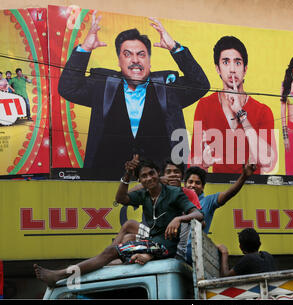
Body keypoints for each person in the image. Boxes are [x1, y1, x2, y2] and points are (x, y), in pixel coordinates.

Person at [58, 12, 210, 179]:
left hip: (159, 184)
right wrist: (85, 49)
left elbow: (200, 85)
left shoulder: (166, 87)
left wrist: (175, 47)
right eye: (127, 54)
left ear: (149, 62)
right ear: (119, 62)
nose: (135, 60)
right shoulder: (104, 86)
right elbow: (68, 88)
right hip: (108, 178)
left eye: (141, 54)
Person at [34, 156, 203, 287]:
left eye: (152, 173)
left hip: (166, 246)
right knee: (112, 260)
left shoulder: (174, 193)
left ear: (158, 173)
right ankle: (74, 277)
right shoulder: (143, 194)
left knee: (110, 252)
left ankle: (61, 275)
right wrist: (127, 174)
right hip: (150, 244)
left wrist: (179, 218)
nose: (149, 178)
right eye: (144, 176)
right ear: (140, 180)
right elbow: (121, 198)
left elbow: (198, 214)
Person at [190, 36, 277, 174]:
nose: (232, 69)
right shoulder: (205, 105)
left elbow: (266, 161)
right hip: (219, 191)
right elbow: (195, 162)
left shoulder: (263, 111)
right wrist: (204, 164)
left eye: (237, 63)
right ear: (218, 69)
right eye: (225, 62)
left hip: (253, 188)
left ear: (245, 69)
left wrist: (240, 112)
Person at [126, 158, 203, 261]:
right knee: (128, 233)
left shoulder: (187, 193)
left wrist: (180, 218)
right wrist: (154, 181)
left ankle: (146, 256)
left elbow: (200, 219)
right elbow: (125, 197)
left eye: (176, 172)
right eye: (168, 172)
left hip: (174, 242)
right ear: (161, 175)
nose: (172, 175)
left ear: (182, 176)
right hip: (154, 237)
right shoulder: (155, 189)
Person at [182, 163, 256, 264]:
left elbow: (229, 193)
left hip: (194, 260)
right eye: (190, 182)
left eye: (197, 183)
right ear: (185, 184)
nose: (193, 185)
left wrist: (244, 176)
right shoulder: (177, 200)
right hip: (175, 257)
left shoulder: (208, 201)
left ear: (203, 187)